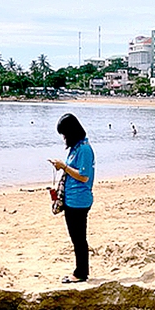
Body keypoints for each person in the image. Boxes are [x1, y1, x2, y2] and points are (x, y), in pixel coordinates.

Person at [49, 113, 94, 284]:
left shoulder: (84, 149)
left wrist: (64, 167)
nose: (64, 138)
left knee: (78, 238)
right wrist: (62, 167)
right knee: (76, 237)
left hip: (79, 200)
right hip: (72, 198)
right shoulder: (76, 148)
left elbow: (84, 177)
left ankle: (81, 272)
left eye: (65, 134)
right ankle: (80, 270)